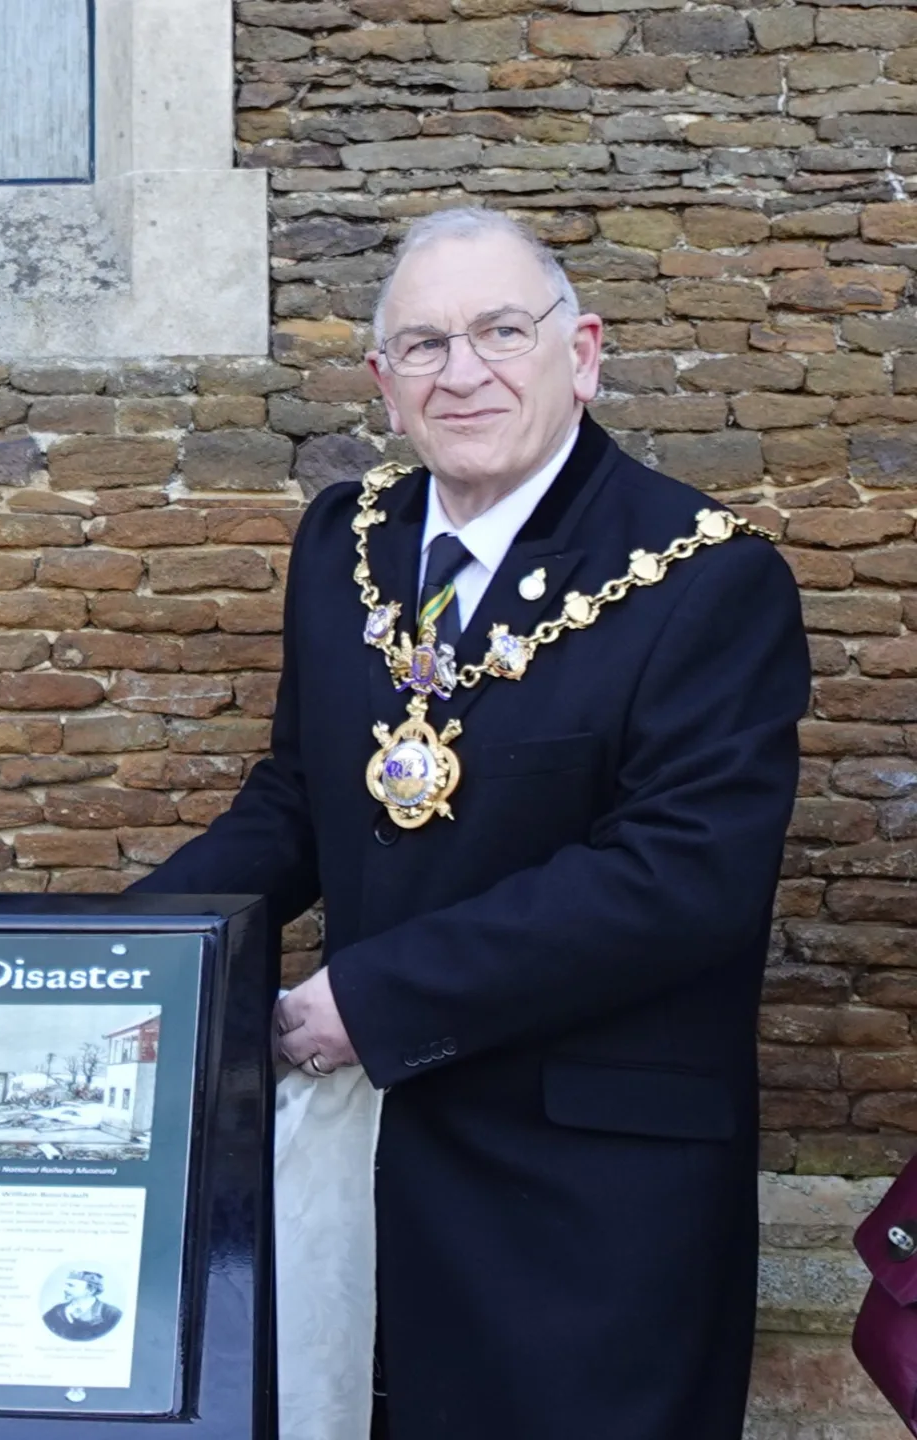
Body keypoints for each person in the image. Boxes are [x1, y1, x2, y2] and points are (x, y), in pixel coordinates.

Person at [135, 206, 807, 1439]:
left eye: (502, 331)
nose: (465, 371)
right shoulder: (346, 542)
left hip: (589, 1197)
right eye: (425, 345)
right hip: (377, 1167)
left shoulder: (709, 576)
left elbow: (679, 881)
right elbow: (299, 797)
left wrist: (372, 1003)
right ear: (383, 386)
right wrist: (130, 953)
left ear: (582, 352)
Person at [40, 1271, 123, 1342]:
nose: (65, 1289)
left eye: (71, 1285)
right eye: (66, 1285)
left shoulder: (111, 1314)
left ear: (91, 1290)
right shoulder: (56, 1312)